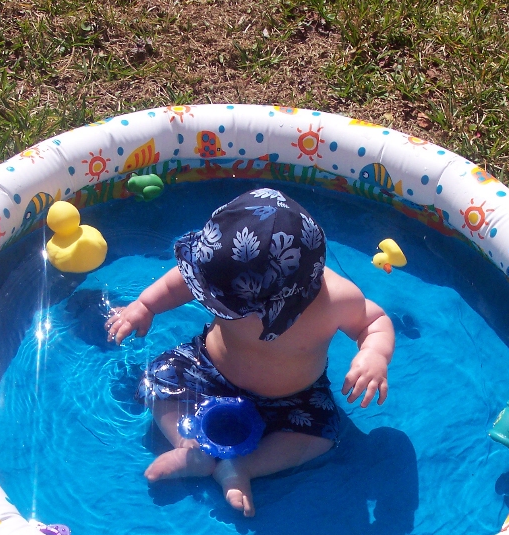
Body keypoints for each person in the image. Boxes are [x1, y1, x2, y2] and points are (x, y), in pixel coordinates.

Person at [106, 188, 395, 517]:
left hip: (294, 398)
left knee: (321, 435)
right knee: (157, 378)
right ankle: (192, 449)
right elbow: (180, 283)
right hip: (208, 367)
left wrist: (374, 354)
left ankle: (240, 468)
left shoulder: (337, 301)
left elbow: (374, 322)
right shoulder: (219, 273)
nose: (208, 298)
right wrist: (145, 306)